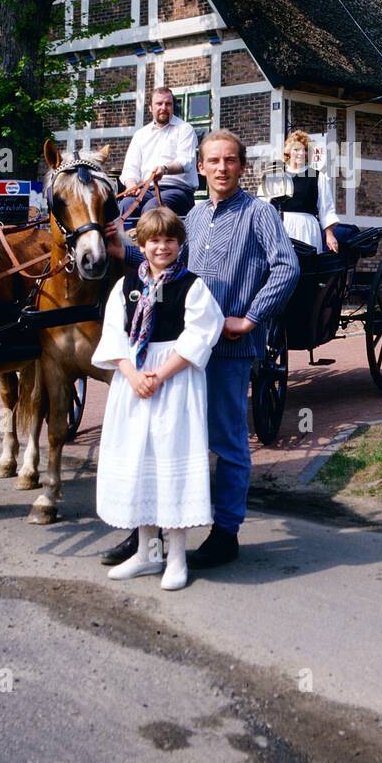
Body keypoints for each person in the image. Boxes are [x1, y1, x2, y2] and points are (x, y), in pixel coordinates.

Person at [104, 129, 299, 570]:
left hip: (228, 349)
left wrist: (250, 318)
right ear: (202, 165)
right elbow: (164, 261)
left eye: (230, 160)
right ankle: (146, 538)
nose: (222, 168)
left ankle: (226, 531)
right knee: (163, 441)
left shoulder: (259, 214)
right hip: (180, 351)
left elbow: (287, 266)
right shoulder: (190, 218)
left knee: (226, 440)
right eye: (213, 161)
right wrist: (124, 251)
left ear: (242, 167)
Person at [90, 207, 226, 590]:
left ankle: (177, 558)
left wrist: (159, 376)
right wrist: (132, 374)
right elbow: (115, 334)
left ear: (179, 244)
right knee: (141, 463)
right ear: (142, 244)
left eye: (169, 240)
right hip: (134, 380)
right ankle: (148, 556)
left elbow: (201, 334)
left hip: (175, 381)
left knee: (170, 459)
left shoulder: (191, 286)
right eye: (154, 240)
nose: (161, 247)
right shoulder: (127, 286)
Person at [120, 87, 198, 224]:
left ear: (173, 106)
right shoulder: (140, 135)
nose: (164, 107)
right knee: (125, 205)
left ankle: (147, 245)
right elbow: (130, 169)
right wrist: (132, 186)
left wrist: (164, 169)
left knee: (153, 209)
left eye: (168, 104)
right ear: (150, 108)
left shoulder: (185, 129)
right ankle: (125, 245)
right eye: (159, 104)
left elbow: (186, 162)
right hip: (146, 190)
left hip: (178, 191)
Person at [264, 129, 340, 253]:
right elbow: (263, 205)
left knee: (307, 267)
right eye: (296, 149)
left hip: (307, 229)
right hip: (281, 227)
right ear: (288, 152)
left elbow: (326, 209)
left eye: (305, 150)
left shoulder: (317, 177)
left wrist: (329, 235)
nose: (301, 153)